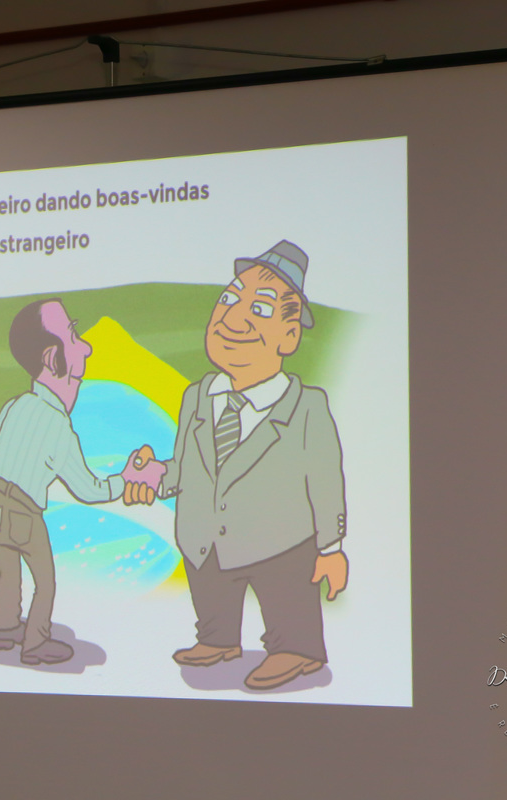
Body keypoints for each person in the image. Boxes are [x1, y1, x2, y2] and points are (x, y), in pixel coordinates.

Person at [125, 240, 349, 691]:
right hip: (205, 535)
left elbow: (326, 480)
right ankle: (217, 639)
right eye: (229, 299)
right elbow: (187, 466)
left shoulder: (306, 407)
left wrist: (331, 547)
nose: (233, 318)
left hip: (280, 542)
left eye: (260, 309)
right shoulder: (197, 396)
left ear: (289, 336)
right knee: (212, 593)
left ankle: (296, 649)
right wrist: (156, 475)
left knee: (287, 599)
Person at [0, 298, 125, 665]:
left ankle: (3, 629)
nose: (86, 347)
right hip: (22, 509)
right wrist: (125, 481)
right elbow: (89, 489)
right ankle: (35, 643)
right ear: (52, 359)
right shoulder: (57, 425)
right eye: (74, 336)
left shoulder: (17, 405)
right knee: (44, 581)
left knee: (8, 571)